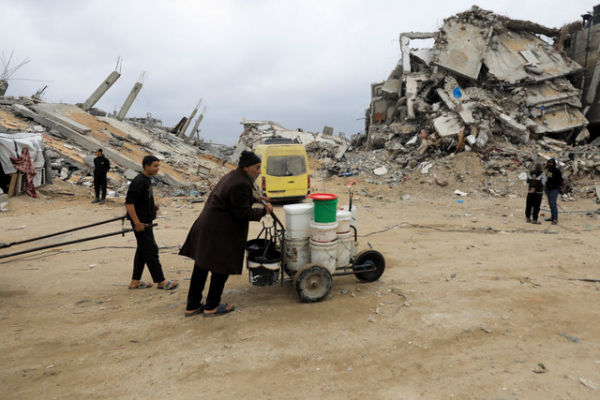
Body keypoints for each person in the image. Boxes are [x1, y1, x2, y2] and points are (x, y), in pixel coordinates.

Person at [179, 150, 273, 317]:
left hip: (208, 226)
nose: (259, 172)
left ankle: (192, 305)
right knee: (221, 267)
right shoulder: (242, 183)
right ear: (246, 167)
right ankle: (211, 306)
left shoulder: (234, 176)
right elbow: (242, 213)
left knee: (201, 266)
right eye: (257, 168)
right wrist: (263, 212)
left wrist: (255, 199)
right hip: (220, 231)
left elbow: (235, 199)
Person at [125, 155, 179, 290]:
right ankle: (161, 281)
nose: (157, 169)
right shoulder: (139, 181)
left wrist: (151, 206)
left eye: (158, 166)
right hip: (141, 223)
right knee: (151, 250)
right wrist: (137, 223)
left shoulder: (147, 180)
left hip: (146, 220)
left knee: (142, 251)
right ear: (147, 166)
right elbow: (129, 203)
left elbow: (142, 199)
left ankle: (135, 281)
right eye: (155, 166)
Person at [544, 158, 563, 225]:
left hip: (554, 189)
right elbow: (549, 178)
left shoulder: (557, 171)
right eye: (549, 163)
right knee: (550, 204)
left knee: (553, 204)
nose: (549, 164)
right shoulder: (549, 170)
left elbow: (560, 180)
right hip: (548, 189)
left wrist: (556, 186)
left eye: (551, 163)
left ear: (553, 163)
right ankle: (552, 217)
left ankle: (555, 219)